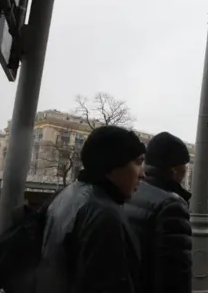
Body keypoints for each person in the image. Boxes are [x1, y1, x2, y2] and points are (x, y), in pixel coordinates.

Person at [37, 126, 146, 293]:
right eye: (138, 162)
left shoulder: (67, 195)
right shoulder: (103, 214)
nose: (142, 174)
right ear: (114, 164)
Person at [124, 131, 193, 293]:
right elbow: (175, 276)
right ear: (175, 169)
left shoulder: (130, 192)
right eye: (184, 165)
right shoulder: (171, 205)